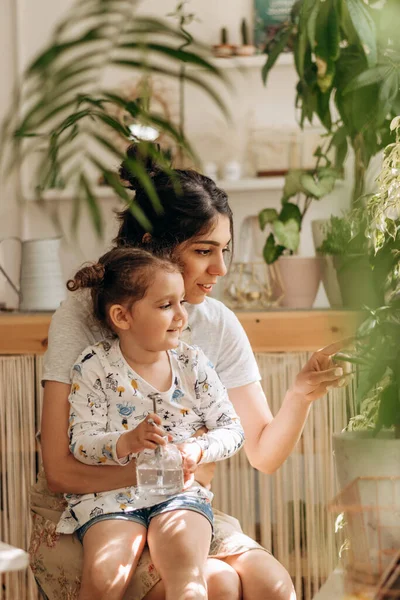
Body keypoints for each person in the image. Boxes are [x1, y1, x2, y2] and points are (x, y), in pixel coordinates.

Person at [30, 144, 349, 600]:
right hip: (90, 508)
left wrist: (299, 393)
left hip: (178, 503)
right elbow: (61, 470)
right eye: (204, 251)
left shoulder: (215, 323)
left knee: (273, 585)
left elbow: (261, 452)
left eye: (224, 250)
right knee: (217, 584)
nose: (219, 268)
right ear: (151, 247)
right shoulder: (87, 314)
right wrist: (161, 468)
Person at [59, 246, 245, 600]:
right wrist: (125, 442)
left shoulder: (193, 364)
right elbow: (80, 442)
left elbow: (233, 430)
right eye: (165, 306)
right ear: (122, 317)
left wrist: (198, 448)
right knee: (104, 578)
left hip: (179, 496)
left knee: (188, 581)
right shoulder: (93, 367)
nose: (181, 316)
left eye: (181, 304)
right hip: (110, 500)